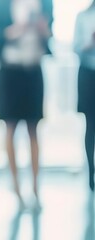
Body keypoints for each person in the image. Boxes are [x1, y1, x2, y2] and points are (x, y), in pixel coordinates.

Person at [0, 0, 53, 206]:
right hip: (10, 71)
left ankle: (35, 186)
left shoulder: (45, 2)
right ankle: (15, 186)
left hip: (33, 69)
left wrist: (43, 29)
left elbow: (51, 34)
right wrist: (17, 29)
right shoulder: (1, 3)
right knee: (10, 128)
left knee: (34, 129)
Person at [73, 1, 95, 192]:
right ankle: (91, 175)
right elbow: (76, 48)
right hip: (88, 74)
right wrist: (90, 42)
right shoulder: (83, 16)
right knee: (91, 126)